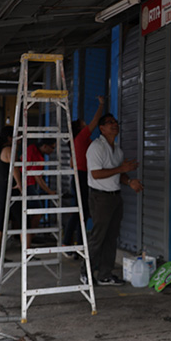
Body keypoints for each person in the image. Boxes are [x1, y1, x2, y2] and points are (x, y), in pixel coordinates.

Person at [85, 114, 143, 285]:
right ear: (101, 128)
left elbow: (120, 173)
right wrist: (121, 168)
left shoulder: (117, 149)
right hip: (100, 197)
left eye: (116, 122)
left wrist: (130, 181)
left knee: (112, 237)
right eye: (110, 122)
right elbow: (96, 174)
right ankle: (86, 272)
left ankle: (105, 274)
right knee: (98, 237)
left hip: (115, 196)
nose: (115, 125)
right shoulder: (96, 147)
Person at [63, 95, 107, 249]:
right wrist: (101, 105)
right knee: (82, 210)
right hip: (81, 175)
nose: (86, 124)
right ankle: (75, 243)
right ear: (80, 128)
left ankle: (73, 243)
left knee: (80, 210)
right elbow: (95, 122)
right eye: (83, 124)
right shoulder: (81, 137)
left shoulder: (78, 140)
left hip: (81, 175)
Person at [0, 126, 22, 265]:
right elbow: (14, 169)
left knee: (2, 222)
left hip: (2, 189)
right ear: (10, 137)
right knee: (22, 221)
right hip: (10, 190)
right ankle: (27, 253)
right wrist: (20, 184)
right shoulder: (9, 150)